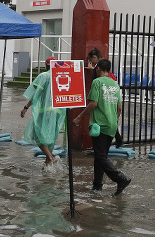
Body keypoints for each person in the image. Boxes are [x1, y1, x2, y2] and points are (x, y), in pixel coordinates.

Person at [75, 58, 131, 195]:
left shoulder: (97, 82)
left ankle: (120, 178)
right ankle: (97, 185)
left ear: (98, 68)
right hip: (111, 125)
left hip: (99, 125)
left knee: (100, 157)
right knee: (101, 156)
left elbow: (93, 104)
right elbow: (119, 107)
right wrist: (114, 119)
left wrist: (79, 116)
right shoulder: (114, 84)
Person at [20, 56, 66, 168]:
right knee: (51, 135)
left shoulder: (43, 76)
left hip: (45, 112)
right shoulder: (61, 76)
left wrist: (26, 107)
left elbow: (36, 95)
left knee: (36, 135)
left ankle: (50, 157)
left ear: (47, 65)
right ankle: (48, 162)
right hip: (58, 112)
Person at [86, 47, 123, 148]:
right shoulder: (98, 73)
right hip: (106, 98)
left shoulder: (102, 73)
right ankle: (117, 139)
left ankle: (118, 139)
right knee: (109, 118)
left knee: (106, 117)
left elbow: (94, 103)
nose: (92, 60)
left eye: (93, 58)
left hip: (106, 97)